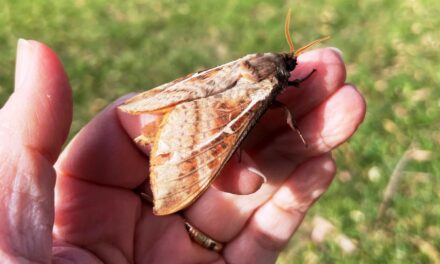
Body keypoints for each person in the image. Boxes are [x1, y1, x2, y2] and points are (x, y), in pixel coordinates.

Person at [0, 39, 365, 263]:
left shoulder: (253, 68)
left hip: (209, 97)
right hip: (220, 116)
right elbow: (283, 99)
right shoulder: (268, 88)